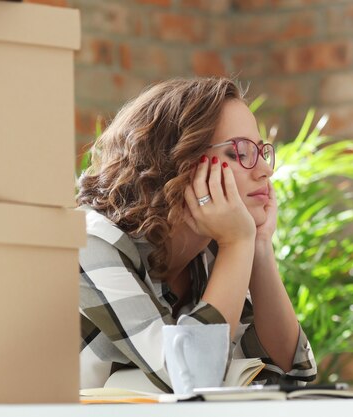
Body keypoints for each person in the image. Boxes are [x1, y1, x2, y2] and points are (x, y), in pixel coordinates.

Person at [76, 77, 317, 392]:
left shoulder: (208, 249)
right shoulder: (92, 241)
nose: (264, 171)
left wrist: (257, 244)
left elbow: (289, 370)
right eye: (241, 152)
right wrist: (236, 244)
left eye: (261, 151)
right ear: (178, 160)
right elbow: (190, 376)